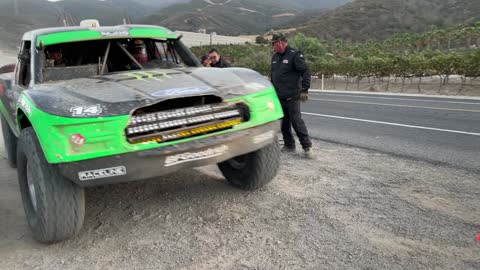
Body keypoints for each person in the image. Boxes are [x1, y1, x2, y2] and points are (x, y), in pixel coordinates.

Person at [270, 32, 313, 158]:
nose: (273, 47)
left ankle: (307, 147)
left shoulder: (294, 54)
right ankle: (289, 145)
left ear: (280, 43)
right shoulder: (275, 57)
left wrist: (305, 89)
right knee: (284, 123)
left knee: (296, 121)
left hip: (293, 95)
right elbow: (274, 76)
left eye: (274, 44)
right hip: (279, 96)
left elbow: (305, 71)